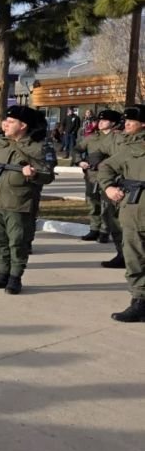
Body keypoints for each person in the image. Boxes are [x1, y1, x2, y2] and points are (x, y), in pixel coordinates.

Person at [0, 105, 55, 294]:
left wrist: (33, 175)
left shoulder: (39, 146)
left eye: (10, 122)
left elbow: (48, 175)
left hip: (19, 203)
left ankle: (15, 277)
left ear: (23, 125)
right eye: (5, 121)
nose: (5, 124)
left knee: (18, 242)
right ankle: (2, 273)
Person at [97, 104, 145, 322]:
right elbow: (106, 167)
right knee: (135, 258)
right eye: (125, 120)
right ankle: (140, 302)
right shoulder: (130, 148)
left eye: (131, 120)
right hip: (134, 210)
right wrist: (108, 187)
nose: (126, 124)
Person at [73, 109, 122, 243]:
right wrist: (79, 161)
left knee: (107, 205)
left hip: (110, 177)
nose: (100, 123)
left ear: (113, 123)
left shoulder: (118, 137)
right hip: (92, 175)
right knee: (93, 203)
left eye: (104, 120)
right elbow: (77, 148)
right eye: (99, 120)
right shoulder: (92, 137)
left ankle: (104, 231)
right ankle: (94, 228)